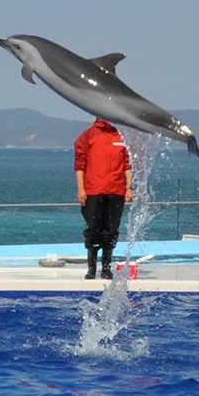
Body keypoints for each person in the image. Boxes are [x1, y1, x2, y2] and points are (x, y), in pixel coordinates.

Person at [74, 117, 134, 280]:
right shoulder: (88, 136)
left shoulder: (121, 137)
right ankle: (91, 268)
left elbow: (127, 165)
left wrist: (129, 187)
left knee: (111, 230)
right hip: (94, 190)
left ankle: (106, 267)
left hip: (117, 190)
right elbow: (80, 165)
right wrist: (81, 189)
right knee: (93, 229)